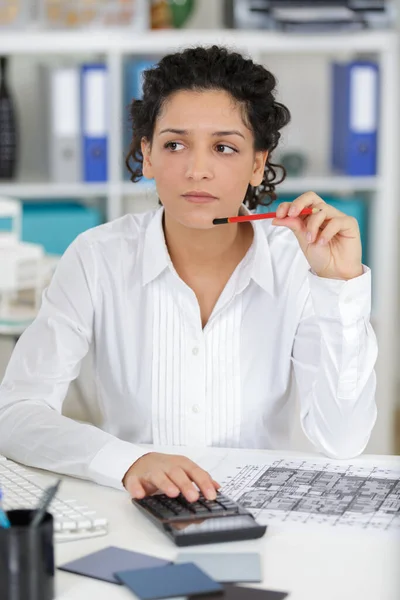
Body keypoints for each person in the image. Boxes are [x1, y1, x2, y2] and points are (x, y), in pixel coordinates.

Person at [0, 46, 377, 504]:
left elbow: (343, 440)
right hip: (136, 508)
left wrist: (339, 286)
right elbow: (17, 414)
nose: (197, 170)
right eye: (175, 144)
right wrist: (128, 462)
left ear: (258, 163)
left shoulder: (298, 265)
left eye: (224, 147)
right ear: (149, 156)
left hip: (262, 517)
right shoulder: (96, 258)